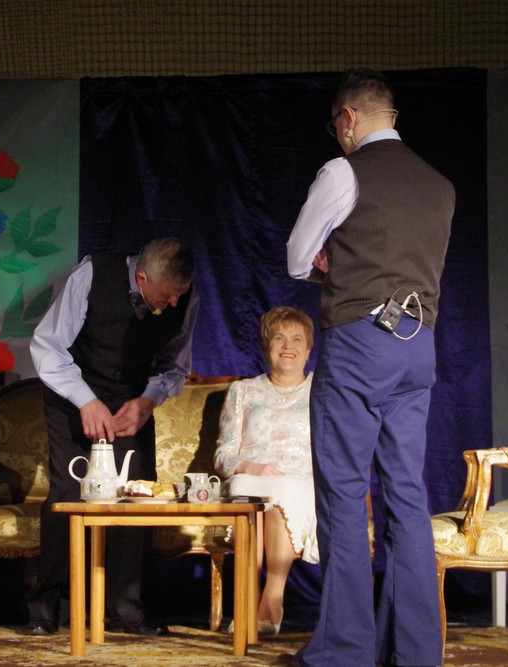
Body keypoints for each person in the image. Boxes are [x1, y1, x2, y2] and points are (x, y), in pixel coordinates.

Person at [285, 69, 454, 666]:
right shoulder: (440, 185)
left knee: (343, 490)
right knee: (407, 493)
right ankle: (415, 653)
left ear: (349, 118)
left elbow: (296, 257)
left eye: (337, 125)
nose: (338, 135)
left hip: (361, 341)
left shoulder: (343, 171)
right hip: (419, 344)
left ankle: (346, 651)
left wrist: (329, 267)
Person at [23, 238, 199, 636]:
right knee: (67, 495)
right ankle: (48, 608)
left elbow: (174, 363)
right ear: (142, 278)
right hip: (73, 396)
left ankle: (125, 610)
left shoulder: (185, 295)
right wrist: (86, 402)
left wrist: (147, 402)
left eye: (180, 294)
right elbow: (48, 347)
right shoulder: (93, 275)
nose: (174, 303)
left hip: (130, 404)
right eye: (168, 295)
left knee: (135, 498)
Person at [213, 306, 318, 636]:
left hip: (301, 484)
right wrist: (253, 466)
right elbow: (223, 455)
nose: (288, 346)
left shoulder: (323, 392)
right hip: (249, 480)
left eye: (297, 339)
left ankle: (271, 596)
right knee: (254, 493)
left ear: (308, 350)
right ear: (266, 346)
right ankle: (248, 598)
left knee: (281, 491)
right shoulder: (243, 391)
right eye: (279, 338)